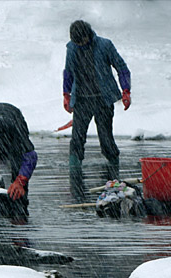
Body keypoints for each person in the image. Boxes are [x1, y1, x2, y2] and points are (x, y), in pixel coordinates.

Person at [62, 20, 131, 197]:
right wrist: (66, 93)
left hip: (103, 99)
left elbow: (122, 68)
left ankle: (113, 174)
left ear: (88, 35)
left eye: (82, 41)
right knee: (77, 139)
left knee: (106, 139)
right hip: (82, 100)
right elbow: (68, 71)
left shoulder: (104, 45)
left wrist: (126, 91)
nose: (81, 45)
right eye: (77, 42)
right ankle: (75, 181)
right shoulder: (71, 48)